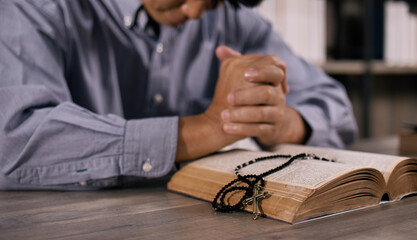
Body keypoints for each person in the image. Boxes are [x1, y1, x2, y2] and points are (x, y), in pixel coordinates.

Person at [0, 0, 358, 190]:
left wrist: (280, 123)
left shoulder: (235, 20)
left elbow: (337, 107)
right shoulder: (35, 8)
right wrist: (210, 127)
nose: (194, 11)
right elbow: (15, 139)